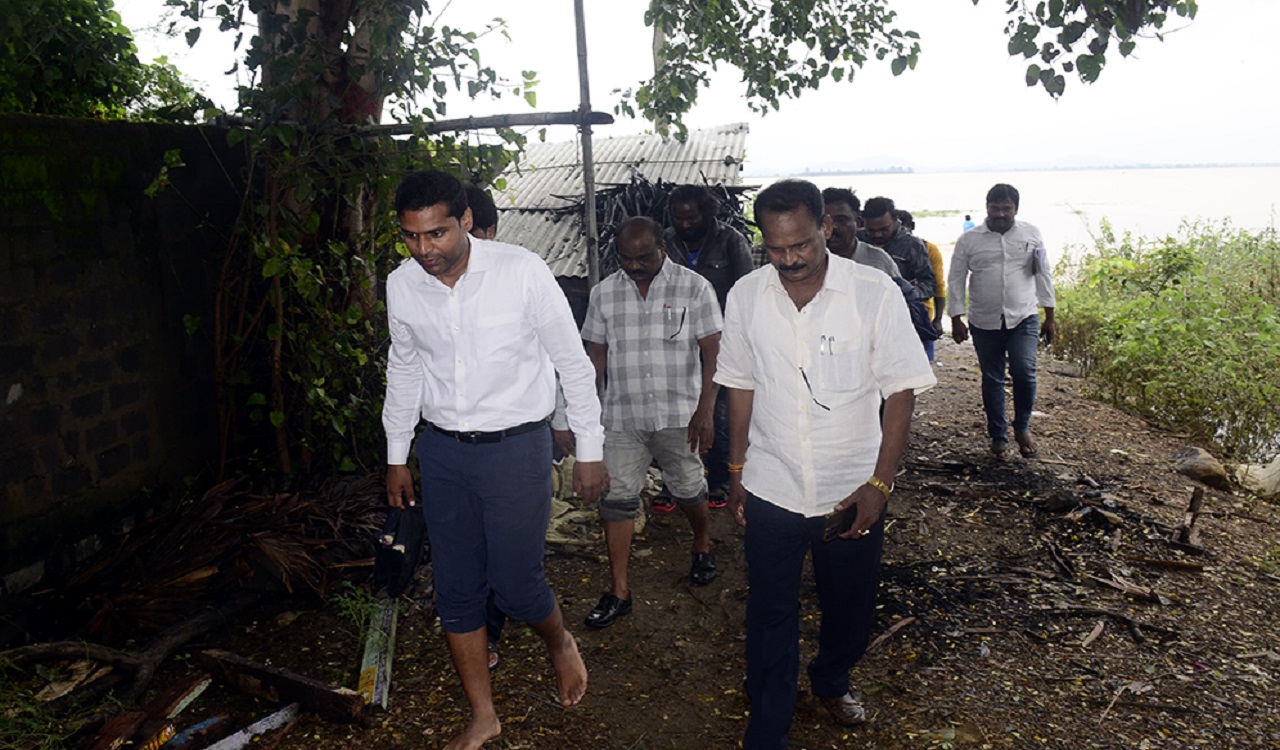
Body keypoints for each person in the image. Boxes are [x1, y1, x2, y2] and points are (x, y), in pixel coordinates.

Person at [383, 170, 609, 750]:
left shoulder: (521, 272)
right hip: (442, 450)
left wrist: (589, 449)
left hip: (516, 448)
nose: (423, 250)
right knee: (456, 589)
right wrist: (397, 454)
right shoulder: (403, 285)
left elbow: (573, 363)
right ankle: (483, 714)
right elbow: (404, 369)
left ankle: (559, 642)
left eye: (435, 234)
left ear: (464, 222)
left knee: (515, 584)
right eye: (411, 237)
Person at [715, 180, 936, 748]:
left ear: (826, 229)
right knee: (769, 612)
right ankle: (768, 723)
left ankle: (832, 677)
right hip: (772, 482)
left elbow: (901, 392)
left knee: (849, 609)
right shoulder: (745, 296)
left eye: (801, 246)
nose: (789, 260)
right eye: (776, 248)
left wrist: (880, 484)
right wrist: (736, 472)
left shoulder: (873, 292)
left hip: (850, 488)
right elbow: (739, 386)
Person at [581, 217, 723, 628]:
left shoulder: (694, 288)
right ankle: (619, 590)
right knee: (618, 499)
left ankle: (702, 543)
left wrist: (705, 409)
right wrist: (584, 414)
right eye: (627, 258)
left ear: (663, 247)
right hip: (622, 416)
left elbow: (714, 352)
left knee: (689, 488)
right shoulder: (603, 294)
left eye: (643, 257)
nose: (635, 265)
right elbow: (594, 357)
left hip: (680, 415)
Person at [947, 183, 1056, 461]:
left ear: (1015, 209)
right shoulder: (969, 241)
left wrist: (1050, 316)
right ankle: (998, 435)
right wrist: (956, 317)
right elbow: (956, 278)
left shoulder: (1031, 234)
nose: (1000, 213)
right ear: (987, 208)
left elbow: (1043, 273)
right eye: (995, 207)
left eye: (1006, 208)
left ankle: (1022, 427)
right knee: (992, 378)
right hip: (984, 321)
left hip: (1024, 316)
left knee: (1024, 370)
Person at [663, 184, 753, 510]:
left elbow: (747, 293)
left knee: (720, 411)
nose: (686, 224)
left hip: (723, 340)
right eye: (679, 217)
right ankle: (676, 480)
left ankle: (720, 479)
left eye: (692, 217)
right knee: (676, 409)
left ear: (707, 212)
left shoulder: (731, 241)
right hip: (677, 342)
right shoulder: (666, 241)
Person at [859, 196, 937, 301]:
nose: (877, 234)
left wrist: (912, 292)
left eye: (884, 229)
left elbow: (929, 284)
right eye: (871, 230)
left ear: (895, 219)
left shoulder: (913, 245)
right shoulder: (856, 239)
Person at [895, 209, 948, 359]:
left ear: (912, 226)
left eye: (904, 229)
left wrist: (937, 320)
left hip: (922, 316)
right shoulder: (885, 248)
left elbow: (938, 285)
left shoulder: (928, 249)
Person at [821, 187, 899, 277]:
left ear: (857, 223)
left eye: (841, 220)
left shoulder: (879, 261)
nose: (833, 227)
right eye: (825, 221)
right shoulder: (809, 262)